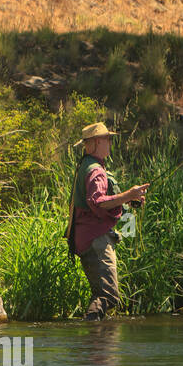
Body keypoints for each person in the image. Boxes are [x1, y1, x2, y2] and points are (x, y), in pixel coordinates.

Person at [65, 123, 149, 321]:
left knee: (102, 295)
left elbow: (99, 201)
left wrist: (128, 199)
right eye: (107, 139)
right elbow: (97, 202)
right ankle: (92, 341)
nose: (111, 143)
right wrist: (128, 194)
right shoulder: (96, 171)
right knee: (109, 296)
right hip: (96, 241)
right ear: (96, 142)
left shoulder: (86, 165)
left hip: (86, 239)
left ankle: (94, 343)